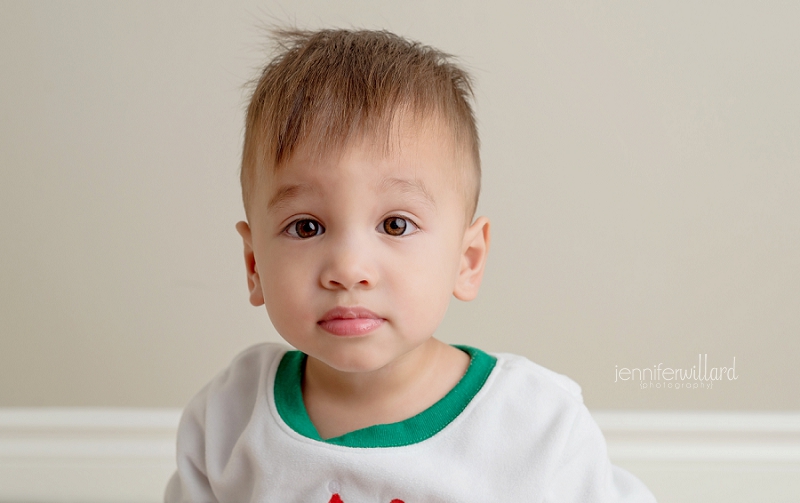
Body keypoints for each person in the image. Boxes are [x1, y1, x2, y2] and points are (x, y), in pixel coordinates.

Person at [165, 28, 656, 502]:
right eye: (306, 227)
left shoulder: (532, 425)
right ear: (254, 265)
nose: (349, 268)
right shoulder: (229, 419)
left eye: (395, 225)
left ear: (467, 260)